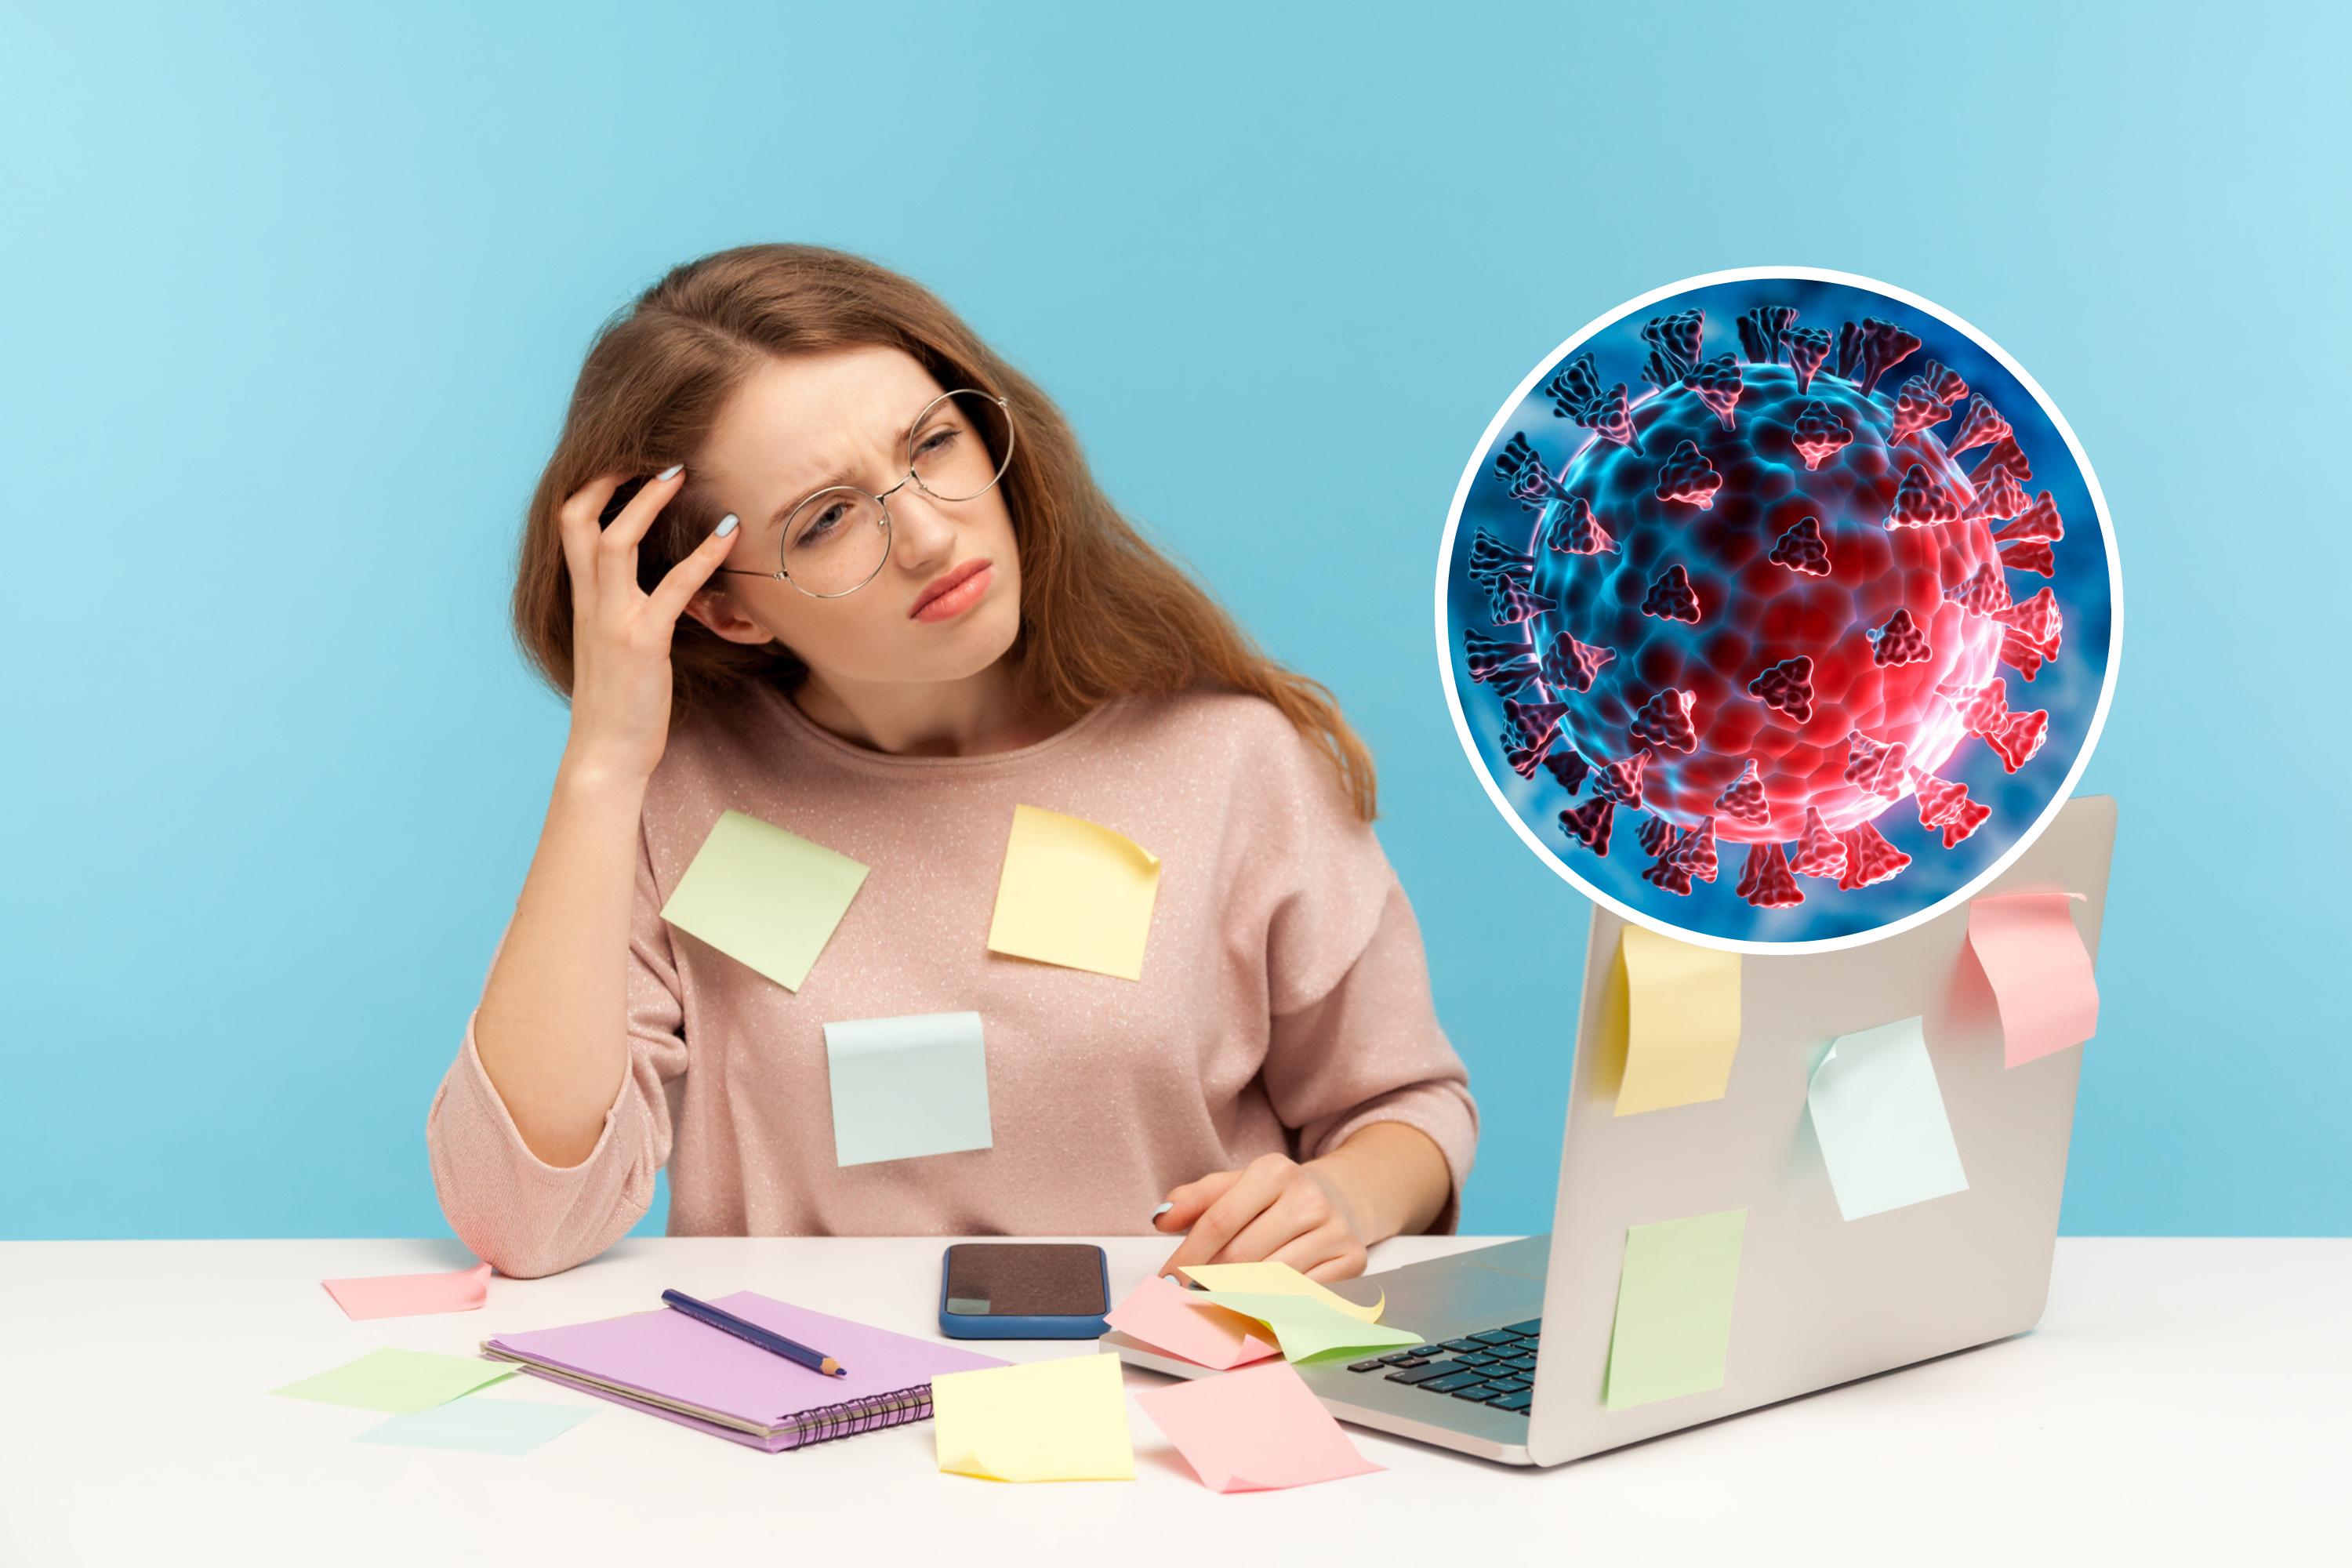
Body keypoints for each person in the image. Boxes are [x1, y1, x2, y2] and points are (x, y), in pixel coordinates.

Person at [426, 242, 1478, 1283]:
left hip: (1174, 1398)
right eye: (829, 518)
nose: (930, 536)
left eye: (932, 444)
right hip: (821, 1411)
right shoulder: (680, 798)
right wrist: (604, 765)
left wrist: (1346, 1194)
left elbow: (1407, 1108)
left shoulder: (1231, 761)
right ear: (723, 604)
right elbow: (525, 1219)